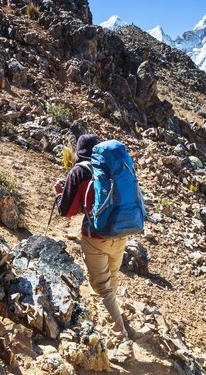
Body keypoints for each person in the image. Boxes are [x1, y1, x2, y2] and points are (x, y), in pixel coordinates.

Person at [54, 134, 134, 362]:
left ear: (79, 151)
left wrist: (60, 193)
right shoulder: (112, 166)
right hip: (121, 233)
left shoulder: (79, 172)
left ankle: (122, 340)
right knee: (112, 276)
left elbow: (66, 211)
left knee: (101, 288)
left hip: (96, 236)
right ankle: (116, 314)